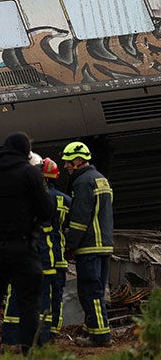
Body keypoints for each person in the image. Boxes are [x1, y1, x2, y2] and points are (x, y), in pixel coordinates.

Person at [0, 132, 55, 360]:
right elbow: (47, 211)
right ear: (24, 151)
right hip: (23, 248)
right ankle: (29, 357)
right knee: (29, 304)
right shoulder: (29, 173)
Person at [0, 153, 63, 347]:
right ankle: (40, 342)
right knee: (43, 300)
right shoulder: (53, 198)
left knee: (16, 297)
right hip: (45, 256)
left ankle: (10, 341)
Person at [62, 141, 114, 347]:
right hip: (105, 245)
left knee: (89, 291)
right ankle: (90, 330)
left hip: (90, 246)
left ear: (78, 160)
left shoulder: (82, 182)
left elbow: (79, 219)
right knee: (97, 290)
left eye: (67, 162)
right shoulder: (101, 179)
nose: (65, 166)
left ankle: (101, 336)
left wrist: (70, 245)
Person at [42, 158, 72, 337]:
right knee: (57, 294)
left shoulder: (37, 198)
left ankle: (42, 331)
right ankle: (54, 330)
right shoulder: (66, 200)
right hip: (59, 255)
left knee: (42, 293)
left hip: (42, 254)